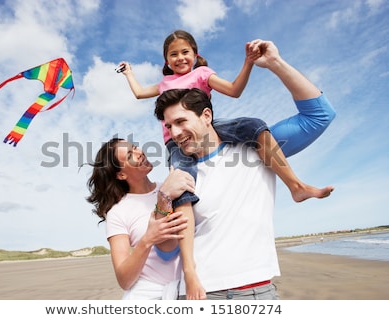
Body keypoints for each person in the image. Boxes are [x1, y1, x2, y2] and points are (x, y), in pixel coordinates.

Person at [118, 31, 335, 298]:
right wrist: (164, 198)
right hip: (198, 294)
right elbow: (167, 249)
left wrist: (275, 63)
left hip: (258, 292)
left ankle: (297, 186)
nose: (174, 133)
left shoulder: (257, 148)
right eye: (168, 125)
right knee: (182, 194)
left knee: (254, 125)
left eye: (182, 121)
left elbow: (320, 115)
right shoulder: (179, 176)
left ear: (206, 115)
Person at [117, 29, 334, 204]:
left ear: (194, 55)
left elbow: (233, 90)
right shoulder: (164, 84)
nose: (180, 58)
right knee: (181, 177)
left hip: (213, 129)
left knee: (254, 126)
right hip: (174, 144)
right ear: (166, 61)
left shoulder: (202, 74)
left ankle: (296, 186)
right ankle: (184, 236)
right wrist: (129, 73)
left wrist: (250, 62)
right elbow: (139, 93)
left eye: (185, 52)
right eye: (173, 55)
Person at [86, 138, 194, 299]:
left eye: (135, 147)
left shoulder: (170, 187)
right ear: (121, 174)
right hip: (148, 296)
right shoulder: (118, 212)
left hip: (190, 289)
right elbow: (124, 280)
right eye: (130, 154)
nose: (139, 152)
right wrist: (148, 239)